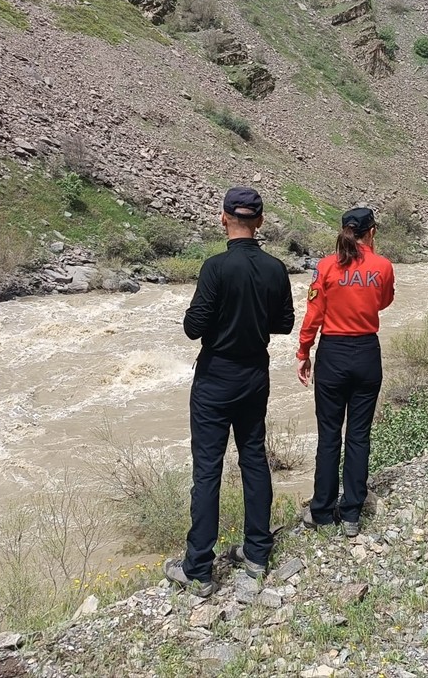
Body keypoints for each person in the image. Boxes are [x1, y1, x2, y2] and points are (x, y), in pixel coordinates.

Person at [164, 187, 295, 596]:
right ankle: (256, 553)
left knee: (208, 470)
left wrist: (217, 315)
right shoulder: (275, 268)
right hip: (255, 375)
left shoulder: (215, 267)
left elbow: (193, 328)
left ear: (224, 218)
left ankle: (199, 569)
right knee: (254, 460)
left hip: (215, 379)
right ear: (259, 222)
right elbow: (286, 323)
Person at [296, 206, 395, 538]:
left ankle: (322, 511)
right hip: (366, 353)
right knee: (359, 435)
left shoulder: (325, 266)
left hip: (333, 354)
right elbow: (382, 302)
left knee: (329, 435)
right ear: (372, 231)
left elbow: (314, 314)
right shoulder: (382, 266)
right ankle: (351, 512)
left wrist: (303, 351)